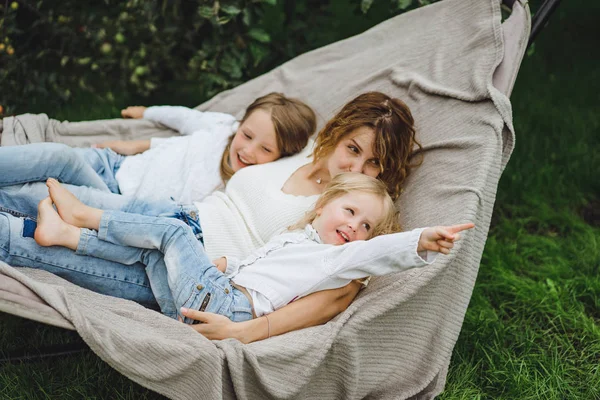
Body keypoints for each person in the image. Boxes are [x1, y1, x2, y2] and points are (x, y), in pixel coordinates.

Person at [0, 91, 423, 342]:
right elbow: (239, 136)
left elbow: (336, 295)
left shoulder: (356, 212)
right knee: (34, 192)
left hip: (185, 267)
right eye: (353, 149)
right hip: (173, 216)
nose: (357, 167)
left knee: (22, 235)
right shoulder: (303, 148)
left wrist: (245, 332)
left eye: (373, 163)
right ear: (337, 133)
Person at [34, 175, 473, 328]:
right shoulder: (296, 241)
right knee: (153, 253)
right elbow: (253, 266)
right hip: (201, 306)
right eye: (350, 212)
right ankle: (63, 236)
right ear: (322, 207)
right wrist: (224, 264)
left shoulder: (336, 261)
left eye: (365, 228)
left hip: (228, 307)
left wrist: (418, 241)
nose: (354, 228)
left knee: (173, 234)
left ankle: (82, 215)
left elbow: (375, 253)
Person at [0, 93, 316, 203]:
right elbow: (183, 119)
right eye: (248, 135)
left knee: (36, 190)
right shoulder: (222, 128)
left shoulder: (243, 186)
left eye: (266, 150)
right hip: (114, 165)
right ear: (241, 123)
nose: (248, 150)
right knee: (51, 157)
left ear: (279, 158)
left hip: (113, 198)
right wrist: (146, 115)